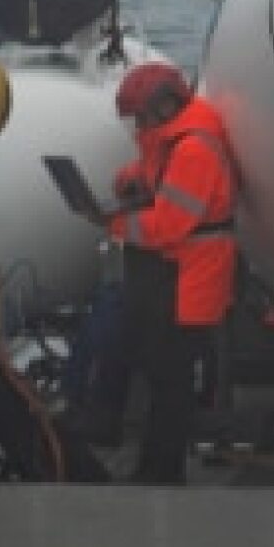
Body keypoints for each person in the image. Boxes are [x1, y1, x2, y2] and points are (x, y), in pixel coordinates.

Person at [109, 62, 239, 484]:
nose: (139, 125)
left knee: (171, 382)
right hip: (174, 276)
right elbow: (157, 175)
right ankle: (157, 466)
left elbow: (167, 226)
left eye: (142, 117)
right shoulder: (175, 139)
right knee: (163, 372)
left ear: (164, 108)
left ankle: (163, 472)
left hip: (190, 279)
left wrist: (113, 224)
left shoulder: (193, 150)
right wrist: (128, 180)